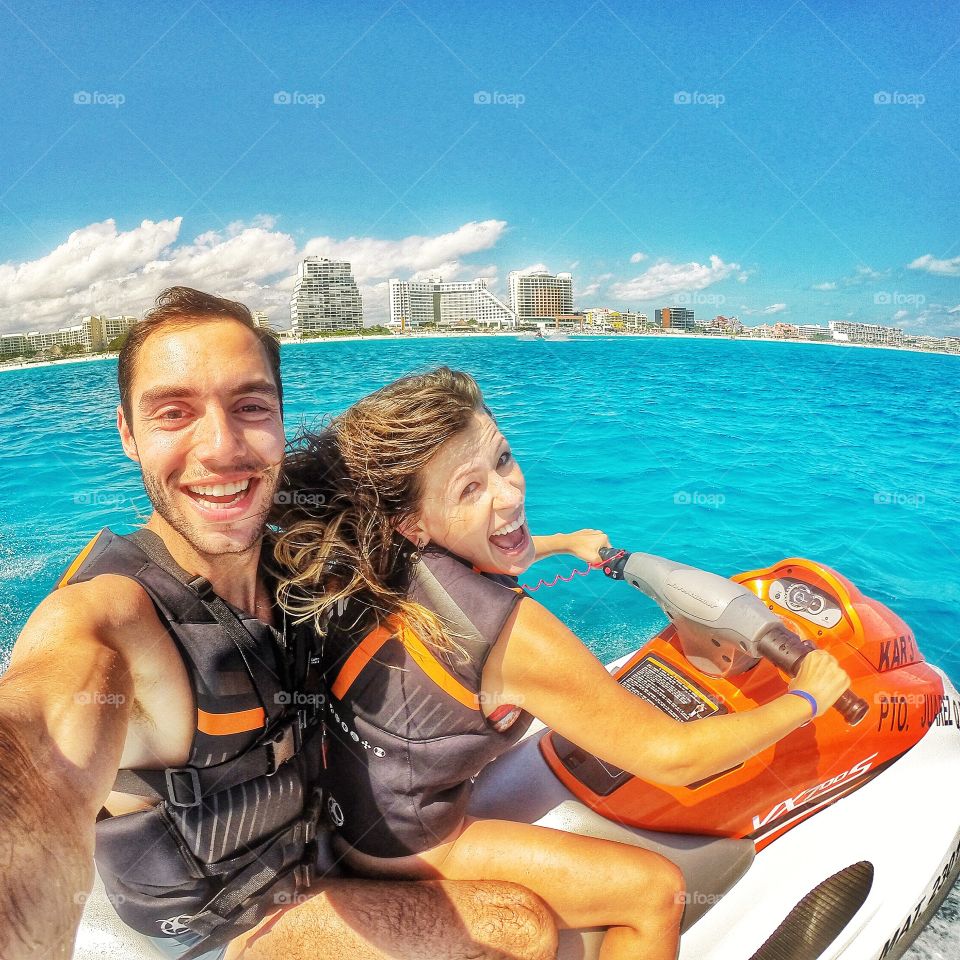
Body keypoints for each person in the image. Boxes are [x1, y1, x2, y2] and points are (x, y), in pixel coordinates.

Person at [0, 290, 558, 960]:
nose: (221, 448)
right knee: (520, 928)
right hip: (228, 934)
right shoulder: (113, 621)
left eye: (251, 407)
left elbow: (424, 532)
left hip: (316, 854)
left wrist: (557, 543)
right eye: (174, 413)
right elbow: (34, 749)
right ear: (127, 432)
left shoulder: (289, 555)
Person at [272, 367, 853, 960]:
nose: (510, 492)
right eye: (469, 489)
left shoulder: (370, 565)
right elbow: (673, 759)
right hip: (413, 847)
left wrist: (558, 541)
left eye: (502, 459)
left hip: (350, 819)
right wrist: (805, 698)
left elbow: (474, 557)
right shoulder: (516, 639)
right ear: (413, 522)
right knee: (656, 892)